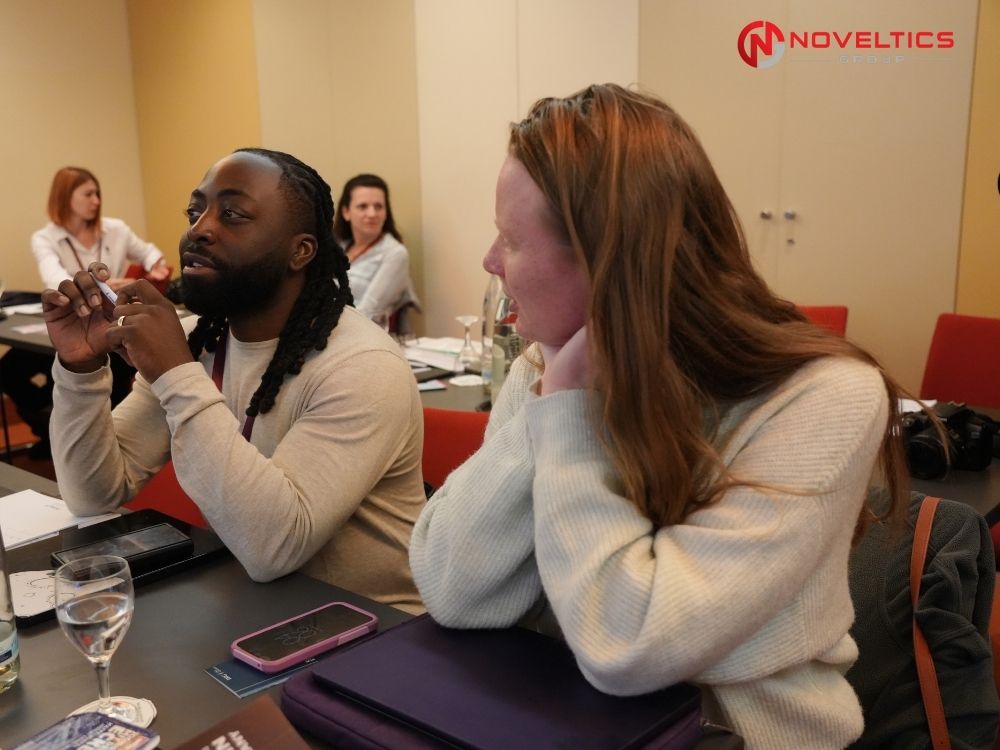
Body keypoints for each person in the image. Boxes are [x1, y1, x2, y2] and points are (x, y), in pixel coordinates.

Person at [408, 84, 909, 747]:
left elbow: (627, 642)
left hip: (736, 734)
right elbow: (452, 585)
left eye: (510, 239)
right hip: (557, 712)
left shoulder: (826, 396)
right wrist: (561, 399)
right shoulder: (553, 365)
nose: (491, 262)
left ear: (607, 262)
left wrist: (564, 422)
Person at [42, 148, 425, 613]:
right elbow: (92, 494)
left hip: (369, 632)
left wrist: (176, 374)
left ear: (300, 251)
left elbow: (275, 548)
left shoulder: (363, 366)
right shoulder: (199, 343)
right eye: (194, 211)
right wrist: (80, 368)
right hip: (248, 609)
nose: (199, 229)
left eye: (233, 214)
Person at [1, 168, 170, 458]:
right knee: (7, 371)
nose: (96, 200)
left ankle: (98, 446)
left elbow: (150, 252)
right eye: (88, 194)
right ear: (67, 198)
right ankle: (48, 426)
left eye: (97, 193)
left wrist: (157, 266)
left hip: (112, 322)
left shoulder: (115, 228)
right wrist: (103, 283)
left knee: (110, 373)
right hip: (70, 323)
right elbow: (54, 279)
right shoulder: (46, 237)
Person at [333, 174, 419, 327]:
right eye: (363, 206)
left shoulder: (395, 254)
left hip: (363, 338)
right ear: (346, 212)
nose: (372, 214)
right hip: (325, 332)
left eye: (378, 206)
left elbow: (367, 313)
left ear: (386, 212)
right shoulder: (338, 247)